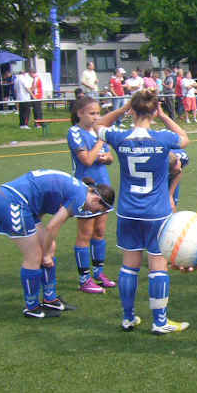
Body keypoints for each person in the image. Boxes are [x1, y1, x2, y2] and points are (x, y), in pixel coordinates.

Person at [95, 89, 190, 334]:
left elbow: (98, 125)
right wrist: (164, 116)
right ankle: (160, 322)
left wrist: (122, 108)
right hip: (156, 211)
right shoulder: (162, 138)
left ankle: (128, 318)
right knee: (158, 265)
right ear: (153, 110)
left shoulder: (120, 137)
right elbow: (184, 137)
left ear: (133, 110)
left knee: (129, 266)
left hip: (128, 211)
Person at [0, 169, 114, 318]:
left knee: (49, 247)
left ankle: (50, 299)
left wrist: (47, 249)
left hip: (23, 203)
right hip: (11, 201)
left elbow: (40, 204)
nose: (93, 212)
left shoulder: (81, 190)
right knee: (35, 255)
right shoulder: (80, 198)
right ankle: (32, 307)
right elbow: (52, 226)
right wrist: (46, 255)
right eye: (98, 210)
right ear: (95, 199)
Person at [67, 96, 117, 294]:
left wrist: (106, 158)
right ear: (80, 113)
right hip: (84, 190)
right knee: (85, 234)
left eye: (98, 113)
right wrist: (100, 141)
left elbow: (109, 157)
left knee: (100, 232)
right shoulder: (75, 132)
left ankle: (99, 273)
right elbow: (86, 160)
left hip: (103, 187)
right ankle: (84, 278)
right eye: (92, 113)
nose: (96, 117)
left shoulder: (97, 132)